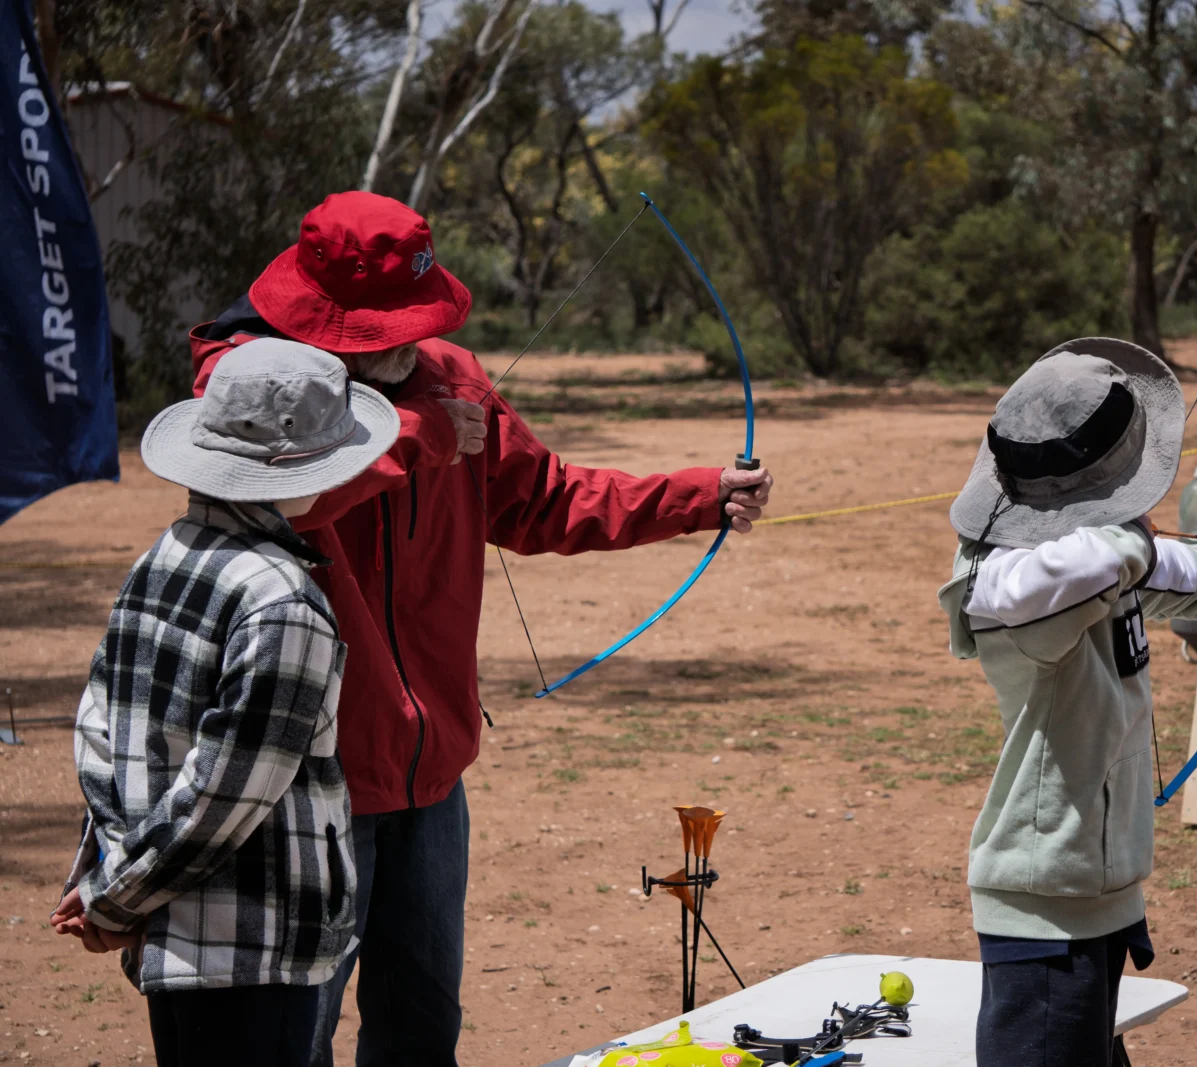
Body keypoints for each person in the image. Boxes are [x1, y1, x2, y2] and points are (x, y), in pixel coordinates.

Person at [186, 190, 774, 1066]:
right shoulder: (249, 385)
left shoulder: (452, 378)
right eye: (375, 327)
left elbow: (544, 501)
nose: (398, 345)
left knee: (422, 1028)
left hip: (430, 779)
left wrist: (699, 496)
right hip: (305, 779)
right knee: (289, 1035)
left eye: (408, 323)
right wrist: (415, 438)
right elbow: (271, 508)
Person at [937, 339, 1197, 1067]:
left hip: (1093, 893)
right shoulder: (1008, 587)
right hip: (1043, 903)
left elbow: (1163, 567)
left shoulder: (1091, 559)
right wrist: (1127, 533)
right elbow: (1099, 562)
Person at [49, 339, 402, 1067]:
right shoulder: (287, 602)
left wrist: (117, 882)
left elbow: (100, 729)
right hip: (254, 948)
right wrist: (117, 901)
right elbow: (226, 792)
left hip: (171, 933)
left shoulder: (165, 554)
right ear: (302, 468)